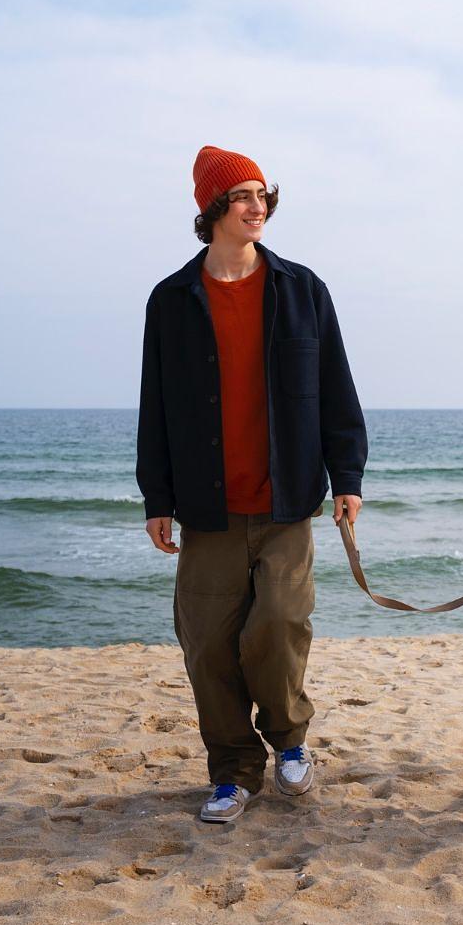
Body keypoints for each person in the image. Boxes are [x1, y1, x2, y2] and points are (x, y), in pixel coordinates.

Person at [136, 145, 367, 823]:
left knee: (280, 625)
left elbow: (336, 390)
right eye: (241, 195)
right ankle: (233, 771)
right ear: (213, 209)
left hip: (287, 499)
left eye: (263, 194)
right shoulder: (172, 301)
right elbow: (155, 404)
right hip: (208, 509)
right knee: (207, 643)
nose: (257, 205)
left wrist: (347, 475)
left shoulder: (302, 290)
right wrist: (158, 498)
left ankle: (290, 740)